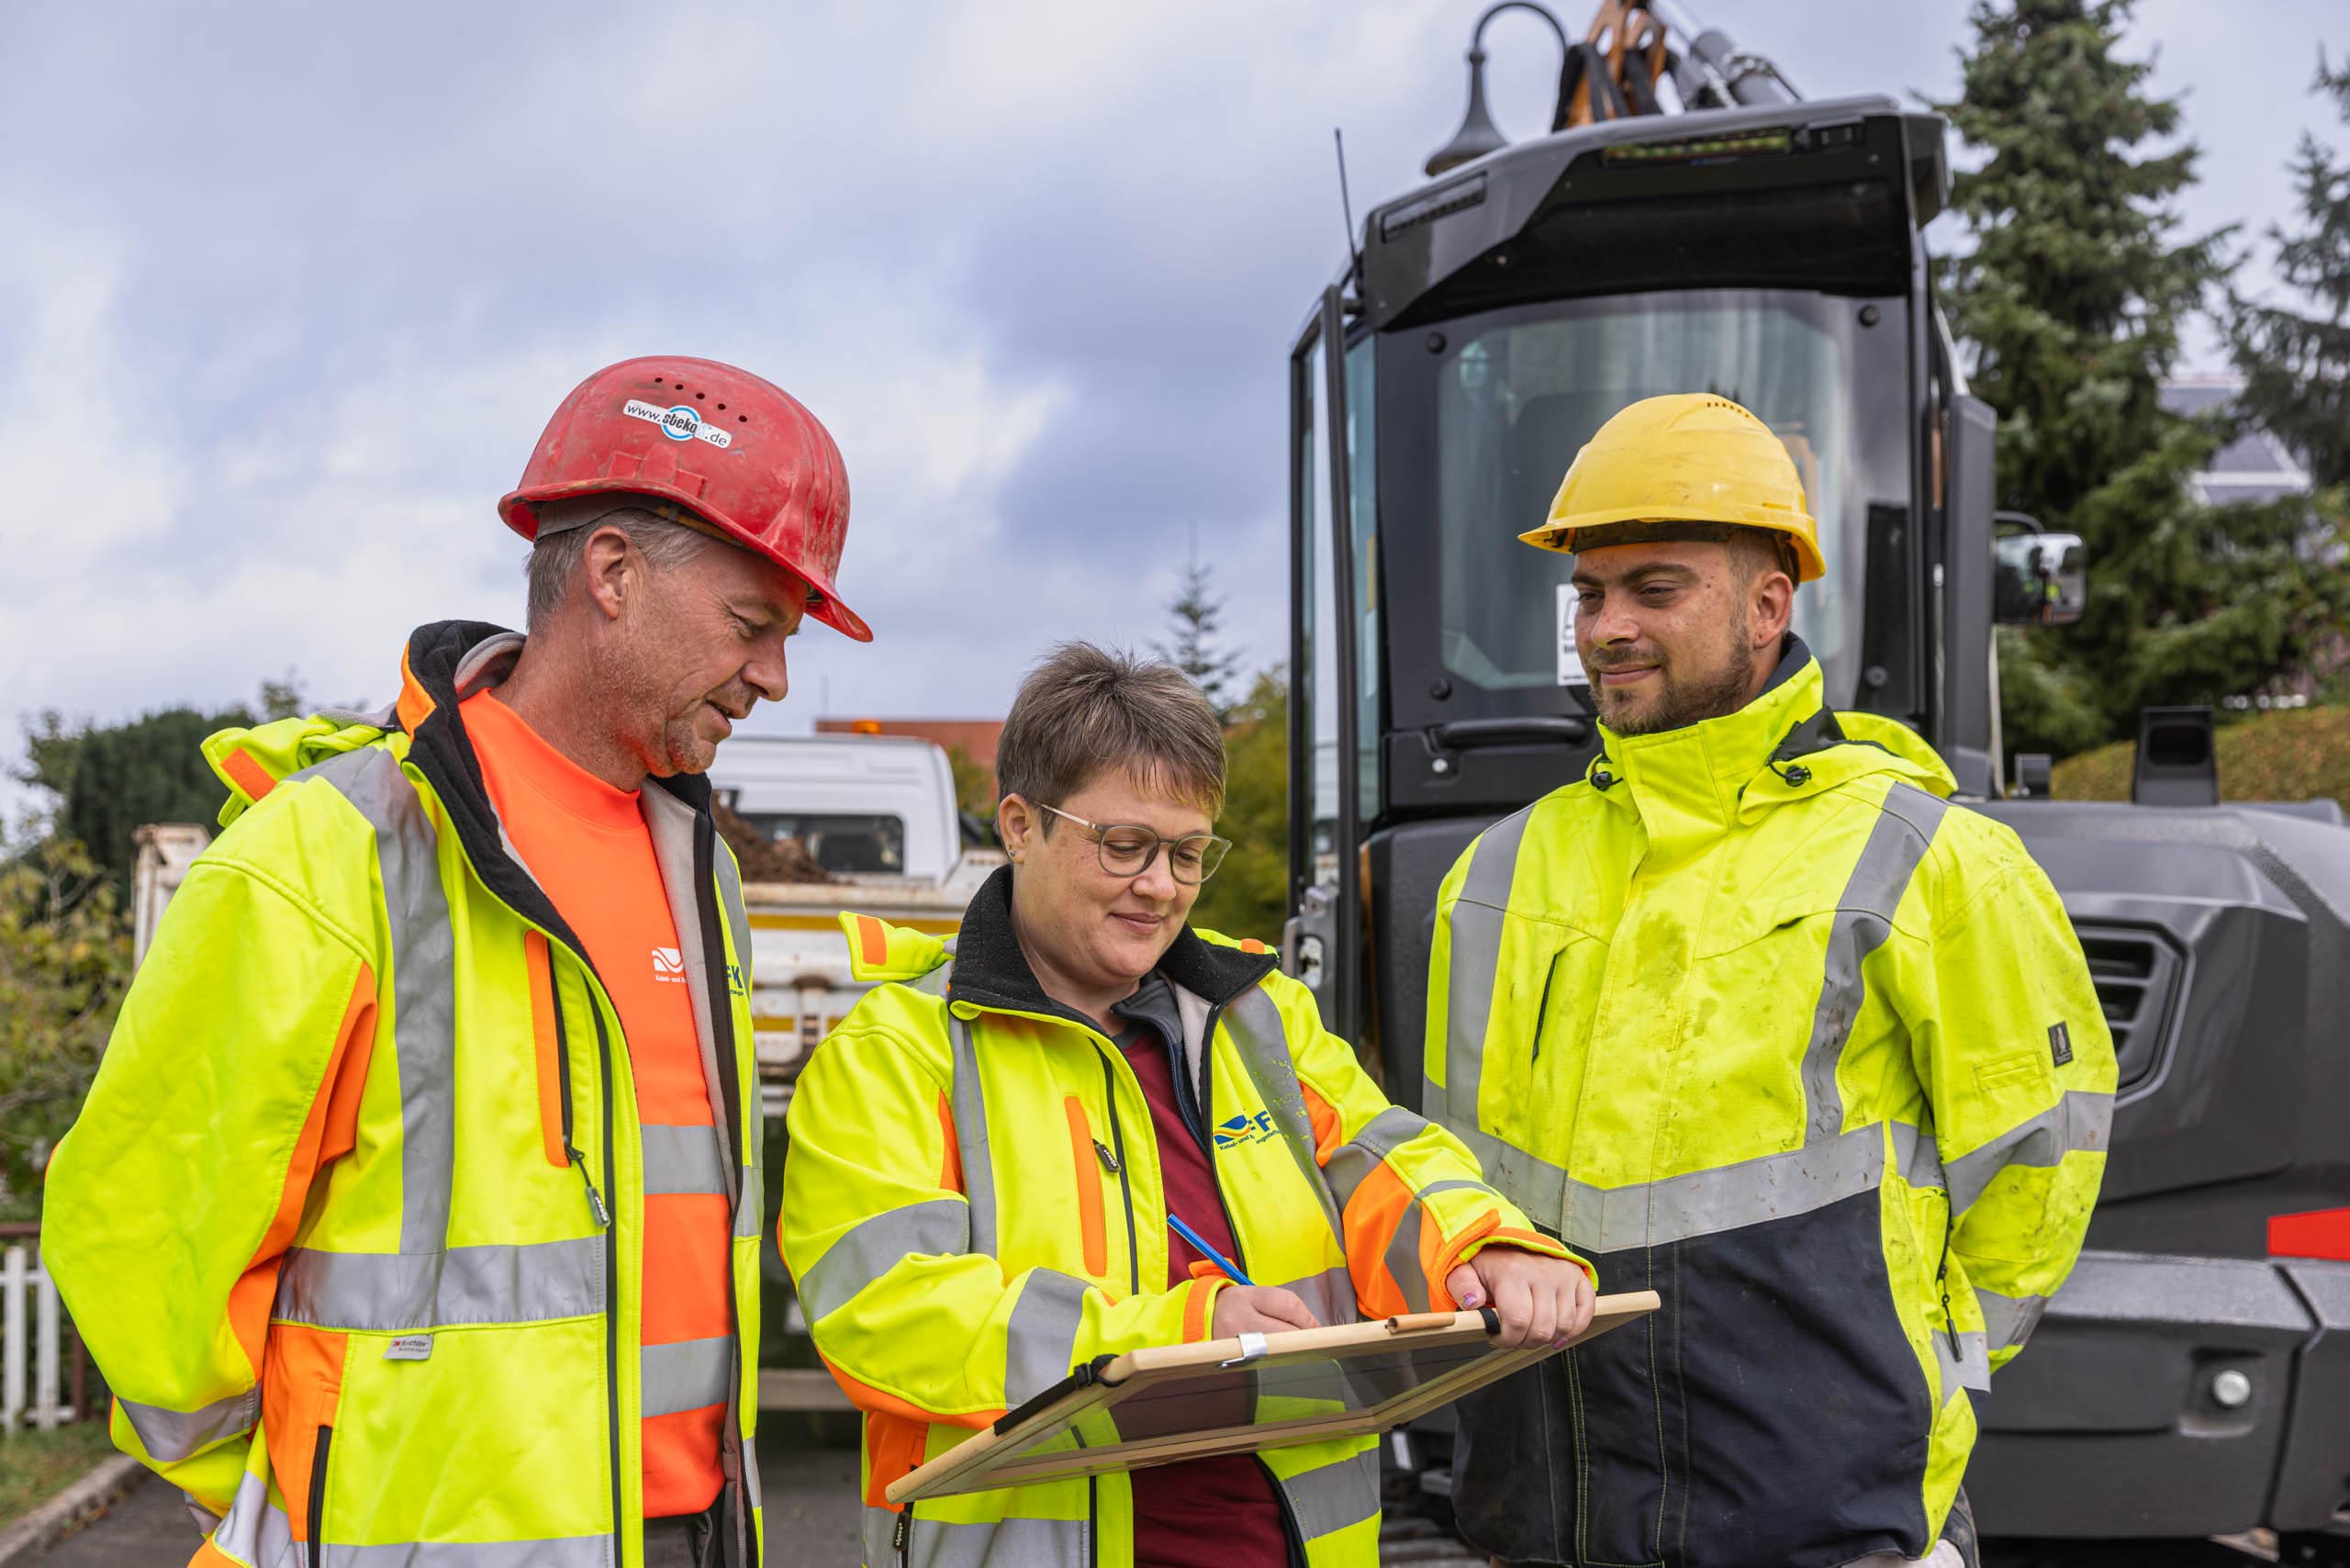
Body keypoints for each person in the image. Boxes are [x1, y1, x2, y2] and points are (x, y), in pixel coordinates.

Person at [42, 355, 870, 1568]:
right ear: (613, 573)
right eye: (754, 627)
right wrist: (300, 1498)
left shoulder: (707, 876)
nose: (775, 679)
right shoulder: (324, 858)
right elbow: (137, 1231)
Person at [1425, 394, 2115, 1568]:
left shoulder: (1927, 857)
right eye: (1589, 594)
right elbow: (1458, 1167)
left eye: (1655, 588)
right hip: (1545, 1517)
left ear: (1766, 605)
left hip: (1825, 1519)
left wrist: (1924, 1375)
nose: (1607, 628)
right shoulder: (1493, 874)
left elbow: (2039, 1166)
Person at [780, 643, 1597, 1568]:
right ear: (1018, 825)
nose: (1161, 886)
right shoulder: (895, 1053)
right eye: (1124, 846)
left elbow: (1380, 1158)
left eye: (1187, 853)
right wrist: (1173, 1338)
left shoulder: (1257, 1018)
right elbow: (884, 1312)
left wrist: (1484, 1241)